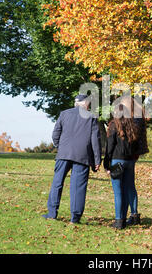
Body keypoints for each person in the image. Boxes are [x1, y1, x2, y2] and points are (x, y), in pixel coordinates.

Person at [42, 94, 101, 224]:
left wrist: (60, 146)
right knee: (78, 186)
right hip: (82, 155)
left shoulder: (64, 114)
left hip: (64, 153)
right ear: (85, 104)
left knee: (57, 182)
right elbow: (95, 140)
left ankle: (52, 213)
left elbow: (55, 134)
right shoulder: (91, 117)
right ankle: (75, 217)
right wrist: (97, 160)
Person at [104, 100, 149, 229]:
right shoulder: (133, 126)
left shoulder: (114, 125)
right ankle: (134, 216)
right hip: (130, 162)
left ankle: (119, 220)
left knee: (118, 192)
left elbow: (109, 147)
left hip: (117, 161)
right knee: (130, 188)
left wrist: (106, 165)